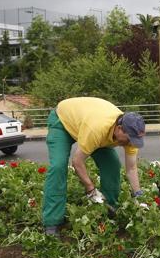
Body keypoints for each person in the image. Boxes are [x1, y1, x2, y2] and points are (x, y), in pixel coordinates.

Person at [42, 97, 146, 236]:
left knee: (112, 165)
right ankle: (52, 222)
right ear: (119, 129)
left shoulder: (130, 138)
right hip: (63, 120)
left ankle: (109, 209)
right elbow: (77, 162)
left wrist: (138, 195)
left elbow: (131, 168)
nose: (130, 143)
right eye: (129, 139)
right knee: (58, 167)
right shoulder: (97, 129)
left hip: (88, 122)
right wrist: (91, 189)